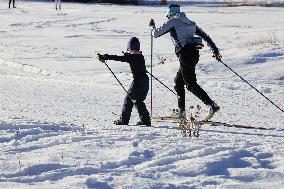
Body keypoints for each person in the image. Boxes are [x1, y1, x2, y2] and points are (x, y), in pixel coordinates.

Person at [149, 4, 222, 121]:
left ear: (170, 14)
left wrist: (152, 27)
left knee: (190, 85)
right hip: (193, 54)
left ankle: (211, 105)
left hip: (185, 55)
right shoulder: (190, 23)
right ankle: (181, 112)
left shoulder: (173, 21)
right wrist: (215, 50)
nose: (168, 18)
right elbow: (205, 36)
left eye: (168, 16)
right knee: (178, 82)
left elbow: (156, 33)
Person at [97, 37, 151, 126]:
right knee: (138, 100)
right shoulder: (140, 56)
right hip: (145, 81)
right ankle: (146, 120)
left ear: (129, 47)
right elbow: (133, 60)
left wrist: (106, 57)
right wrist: (127, 56)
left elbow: (120, 58)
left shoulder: (132, 57)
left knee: (128, 100)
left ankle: (123, 121)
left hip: (137, 83)